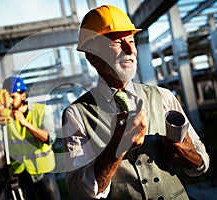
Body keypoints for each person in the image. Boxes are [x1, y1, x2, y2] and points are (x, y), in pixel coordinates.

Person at [62, 5, 210, 200]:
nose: (129, 49)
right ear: (92, 57)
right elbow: (79, 192)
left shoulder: (163, 97)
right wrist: (117, 147)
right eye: (117, 43)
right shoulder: (76, 115)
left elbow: (202, 162)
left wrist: (190, 158)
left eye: (131, 41)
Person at [0, 76, 61, 200]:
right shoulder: (4, 116)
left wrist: (25, 123)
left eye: (13, 97)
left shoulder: (40, 110)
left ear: (23, 96)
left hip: (43, 172)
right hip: (20, 174)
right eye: (7, 98)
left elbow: (49, 138)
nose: (10, 102)